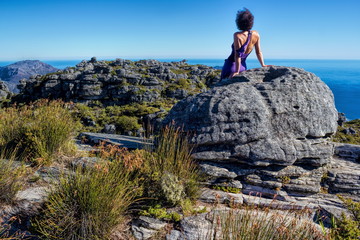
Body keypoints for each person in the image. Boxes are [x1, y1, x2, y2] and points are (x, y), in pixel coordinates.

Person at [221, 8, 269, 80]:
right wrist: (263, 64)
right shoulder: (256, 34)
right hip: (243, 67)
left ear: (239, 22)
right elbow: (258, 52)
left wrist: (236, 71)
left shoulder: (237, 35)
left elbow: (237, 55)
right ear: (251, 22)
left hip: (231, 66)